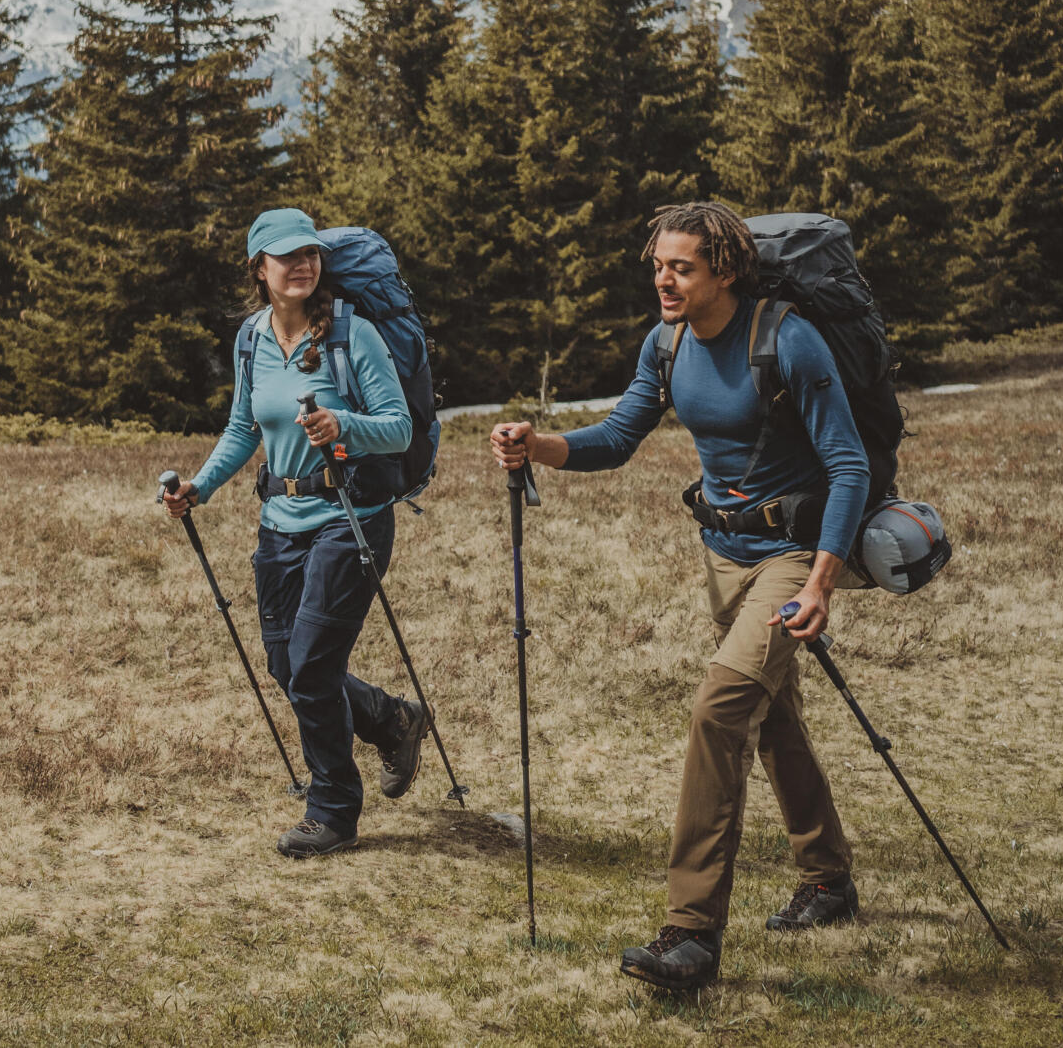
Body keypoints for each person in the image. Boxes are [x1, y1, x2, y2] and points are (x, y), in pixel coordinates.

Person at [489, 201, 872, 990]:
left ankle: (690, 934)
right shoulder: (665, 344)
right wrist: (540, 446)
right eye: (658, 265)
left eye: (681, 267)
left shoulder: (786, 339)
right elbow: (618, 437)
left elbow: (849, 464)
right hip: (723, 554)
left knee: (720, 710)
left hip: (793, 554)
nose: (664, 280)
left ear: (723, 271)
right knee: (771, 717)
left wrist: (825, 582)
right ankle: (828, 878)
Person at [162, 207, 430, 859]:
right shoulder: (252, 338)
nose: (302, 264)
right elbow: (243, 428)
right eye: (286, 256)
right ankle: (390, 719)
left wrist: (343, 424)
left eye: (310, 252)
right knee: (289, 665)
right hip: (279, 523)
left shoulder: (352, 336)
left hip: (351, 519)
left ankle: (333, 808)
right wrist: (200, 485)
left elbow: (397, 428)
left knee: (310, 666)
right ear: (260, 269)